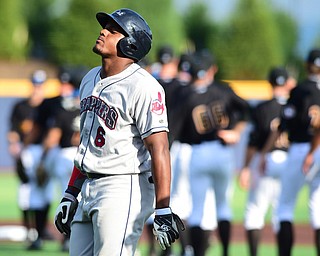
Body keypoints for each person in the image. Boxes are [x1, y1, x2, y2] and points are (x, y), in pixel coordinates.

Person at [53, 8, 184, 256]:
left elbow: (159, 147)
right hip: (89, 185)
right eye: (106, 27)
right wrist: (71, 192)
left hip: (123, 185)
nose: (103, 31)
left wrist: (163, 207)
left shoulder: (143, 86)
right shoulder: (89, 78)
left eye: (113, 30)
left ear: (131, 44)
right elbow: (87, 144)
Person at [174, 50, 250, 256]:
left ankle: (196, 253)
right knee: (223, 206)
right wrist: (236, 131)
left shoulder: (185, 94)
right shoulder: (223, 90)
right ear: (212, 70)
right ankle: (225, 252)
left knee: (197, 209)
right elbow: (247, 110)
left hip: (196, 152)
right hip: (222, 152)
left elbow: (175, 131)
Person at [238, 67, 295, 256]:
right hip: (289, 160)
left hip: (266, 159)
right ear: (287, 82)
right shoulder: (294, 105)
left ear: (270, 83)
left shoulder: (262, 108)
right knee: (283, 213)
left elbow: (253, 143)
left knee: (255, 211)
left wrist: (246, 168)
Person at [276, 48, 320, 256]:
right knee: (318, 210)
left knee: (284, 206)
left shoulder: (301, 90)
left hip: (302, 148)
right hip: (317, 150)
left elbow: (283, 124)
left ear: (307, 65)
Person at [7, 70, 46, 245]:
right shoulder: (21, 106)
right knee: (25, 189)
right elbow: (13, 131)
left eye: (40, 85)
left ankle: (40, 231)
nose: (37, 88)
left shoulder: (47, 106)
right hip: (26, 151)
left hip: (43, 151)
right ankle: (29, 231)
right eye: (36, 84)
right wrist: (15, 145)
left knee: (43, 190)